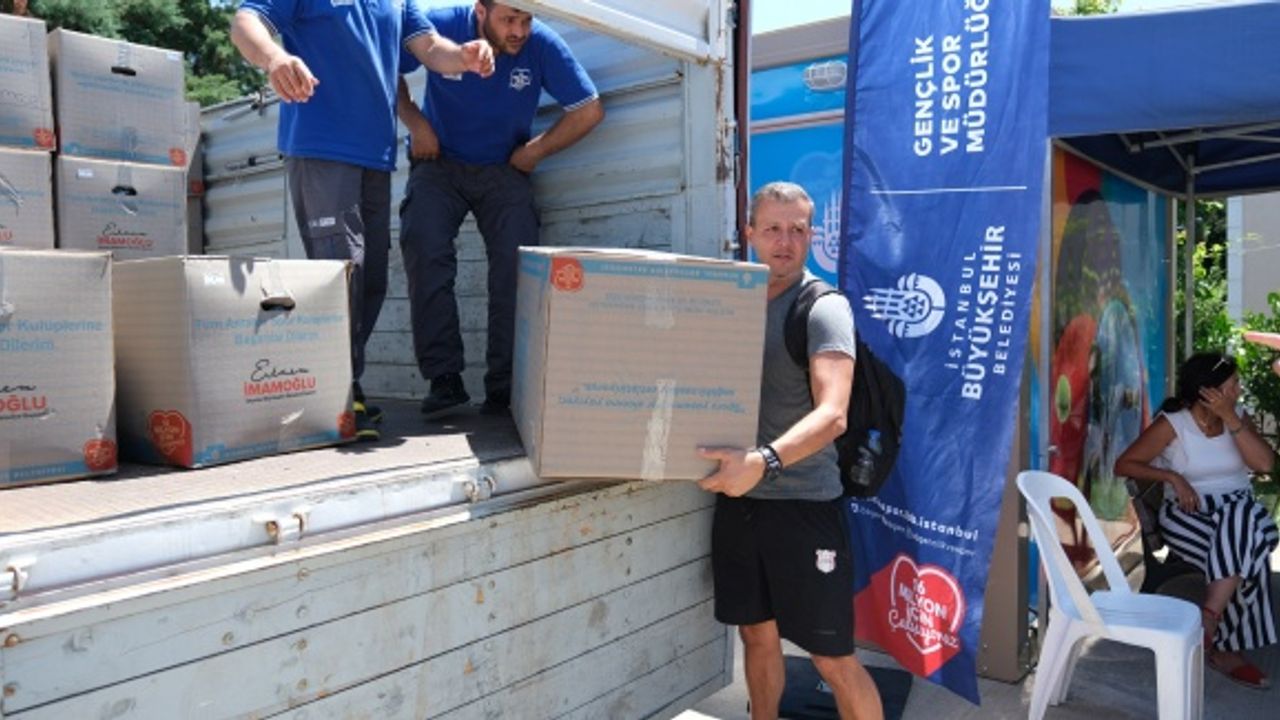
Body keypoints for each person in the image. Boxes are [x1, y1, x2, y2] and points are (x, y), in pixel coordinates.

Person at [230, 1, 494, 440]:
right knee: (343, 273)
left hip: (375, 156)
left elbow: (431, 48)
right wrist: (274, 57)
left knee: (371, 281)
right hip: (321, 147)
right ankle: (338, 393)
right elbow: (245, 22)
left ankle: (336, 383)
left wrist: (463, 56)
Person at [699, 182, 883, 720]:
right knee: (756, 637)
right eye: (773, 229)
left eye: (798, 230)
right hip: (740, 504)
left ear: (811, 236)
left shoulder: (822, 308)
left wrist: (764, 461)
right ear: (750, 233)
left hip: (804, 506)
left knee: (833, 658)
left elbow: (833, 414)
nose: (785, 241)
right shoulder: (731, 303)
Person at [397, 1, 604, 418]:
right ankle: (444, 379)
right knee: (424, 244)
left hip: (504, 166)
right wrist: (416, 123)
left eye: (526, 20)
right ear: (480, 11)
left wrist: (535, 151)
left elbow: (588, 109)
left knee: (518, 266)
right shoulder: (440, 25)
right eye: (508, 19)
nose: (519, 31)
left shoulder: (541, 43)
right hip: (439, 162)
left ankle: (505, 388)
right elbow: (386, 68)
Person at [1115, 352, 1278, 689]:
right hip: (1189, 514)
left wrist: (1230, 418)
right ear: (1209, 390)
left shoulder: (1238, 417)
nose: (1239, 389)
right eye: (1233, 384)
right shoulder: (1174, 424)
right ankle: (1226, 650)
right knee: (1252, 544)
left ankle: (1208, 619)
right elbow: (1124, 464)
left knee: (1242, 521)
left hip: (1237, 512)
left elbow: (1265, 464)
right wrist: (1173, 478)